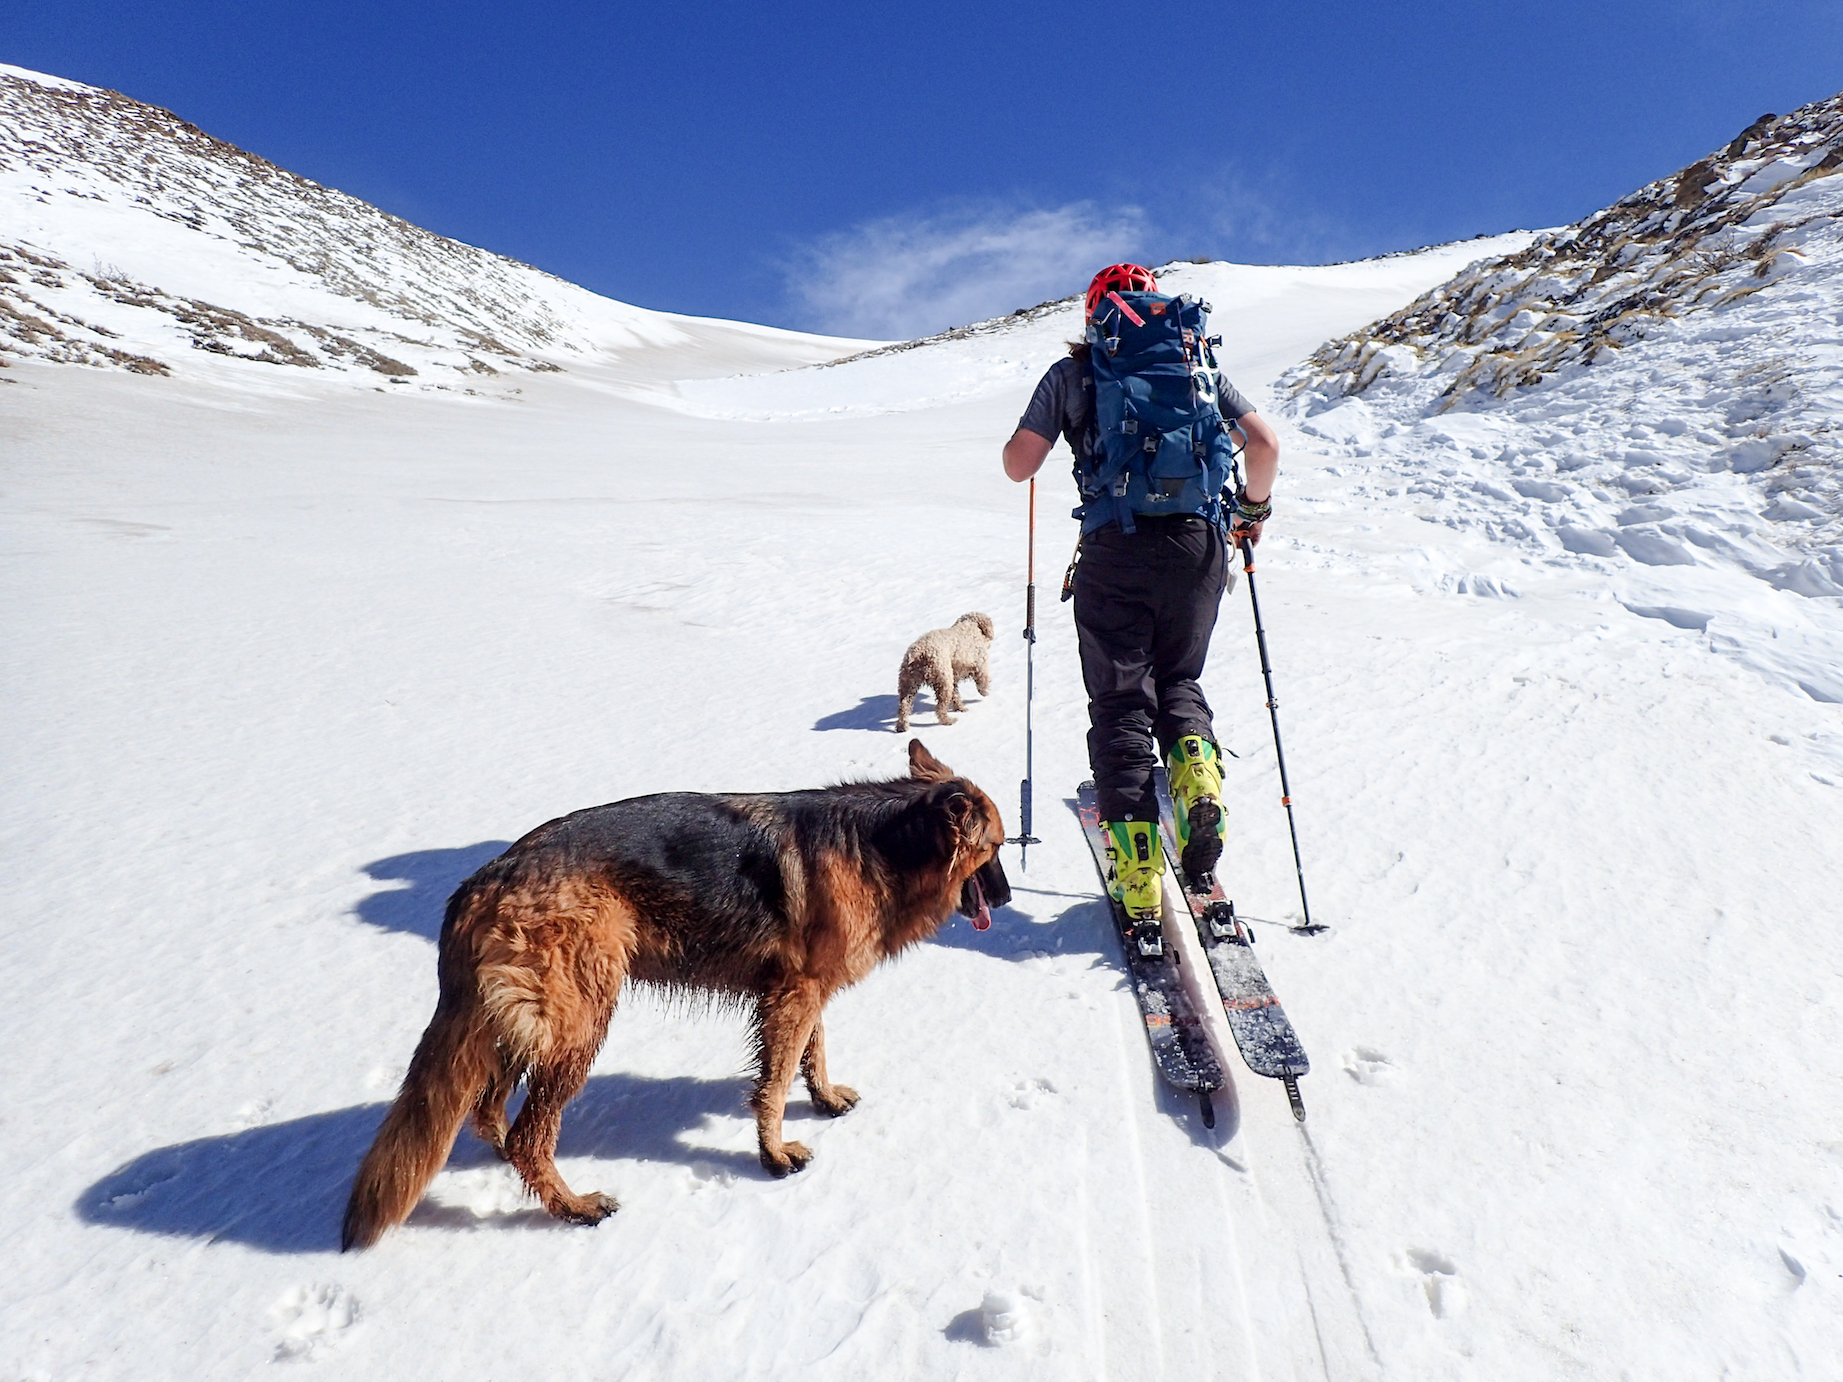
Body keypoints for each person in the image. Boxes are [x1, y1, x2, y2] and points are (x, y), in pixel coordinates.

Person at [1001, 263, 1280, 926]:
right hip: (1198, 545)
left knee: (1122, 699)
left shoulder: (1074, 373)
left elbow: (1019, 464)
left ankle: (1135, 870)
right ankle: (1194, 773)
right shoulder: (1194, 361)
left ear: (1096, 313)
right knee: (1178, 677)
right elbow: (1264, 444)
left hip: (1113, 548)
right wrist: (1251, 512)